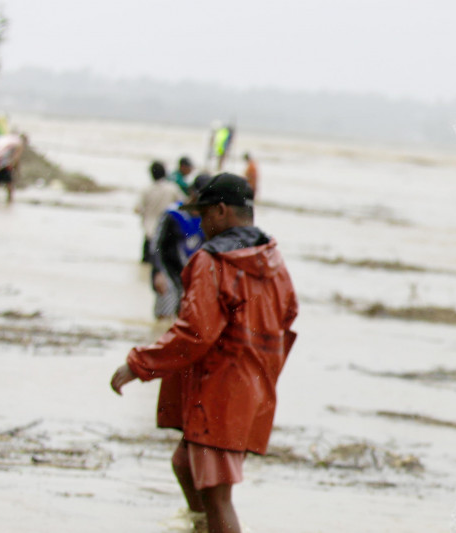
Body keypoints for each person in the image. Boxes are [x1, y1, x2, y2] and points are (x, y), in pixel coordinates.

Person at [111, 173, 298, 533]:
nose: (201, 224)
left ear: (222, 211)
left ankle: (208, 523)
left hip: (220, 389)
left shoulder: (212, 262)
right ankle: (199, 526)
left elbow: (194, 333)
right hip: (253, 383)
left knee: (217, 496)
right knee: (184, 463)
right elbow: (288, 314)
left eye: (204, 215)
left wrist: (139, 364)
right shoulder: (272, 258)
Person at [149, 174, 210, 319]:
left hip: (191, 276)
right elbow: (156, 244)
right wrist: (158, 272)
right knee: (164, 318)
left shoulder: (208, 220)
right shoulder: (173, 214)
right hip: (167, 272)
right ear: (192, 193)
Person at [135, 161, 184, 264]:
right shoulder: (172, 188)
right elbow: (183, 204)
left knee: (146, 263)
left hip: (149, 231)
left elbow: (137, 209)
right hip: (166, 232)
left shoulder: (146, 190)